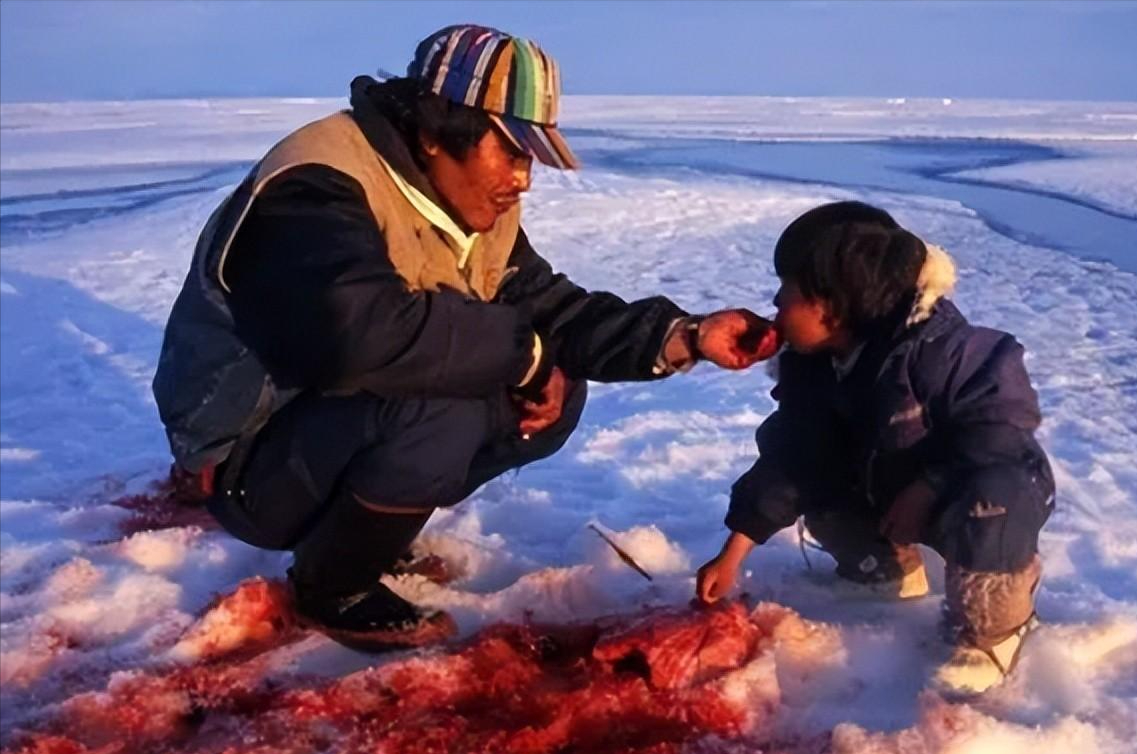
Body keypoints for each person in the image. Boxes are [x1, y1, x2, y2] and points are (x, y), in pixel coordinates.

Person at [153, 25, 777, 649]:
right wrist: (522, 355)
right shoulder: (317, 186)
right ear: (433, 133)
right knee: (442, 403)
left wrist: (685, 337)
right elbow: (359, 338)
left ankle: (364, 533)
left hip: (323, 435)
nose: (523, 179)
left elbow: (548, 309)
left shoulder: (469, 207)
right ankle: (330, 584)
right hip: (247, 464)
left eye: (529, 157)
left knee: (552, 384)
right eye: (510, 152)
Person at [694, 201, 1055, 695]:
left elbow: (1002, 431)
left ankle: (995, 629)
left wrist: (930, 485)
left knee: (995, 493)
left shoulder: (944, 351)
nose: (775, 303)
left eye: (788, 291)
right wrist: (734, 550)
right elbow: (792, 458)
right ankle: (884, 567)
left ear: (833, 305)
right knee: (815, 472)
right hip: (887, 483)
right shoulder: (816, 366)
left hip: (973, 490)